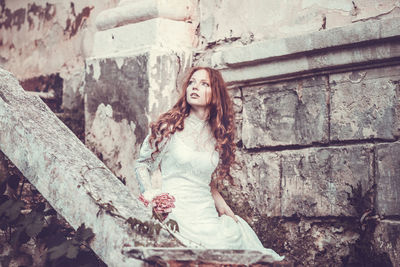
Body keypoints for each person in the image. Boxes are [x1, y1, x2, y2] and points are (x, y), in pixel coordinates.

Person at [134, 67, 284, 261]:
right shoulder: (169, 127)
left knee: (234, 237)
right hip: (176, 211)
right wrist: (151, 197)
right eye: (191, 82)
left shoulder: (217, 136)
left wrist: (225, 209)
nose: (194, 87)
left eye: (204, 84)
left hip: (206, 214)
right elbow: (142, 164)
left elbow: (205, 181)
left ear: (215, 94)